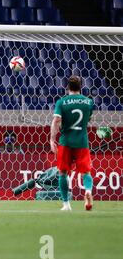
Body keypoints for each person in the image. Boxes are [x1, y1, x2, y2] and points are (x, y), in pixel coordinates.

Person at [50, 75, 94, 211]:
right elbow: (88, 120)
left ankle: (66, 204)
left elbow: (56, 120)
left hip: (66, 142)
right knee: (86, 172)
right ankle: (88, 191)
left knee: (62, 172)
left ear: (67, 87)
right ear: (81, 86)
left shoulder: (62, 102)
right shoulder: (88, 102)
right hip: (82, 142)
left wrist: (52, 138)